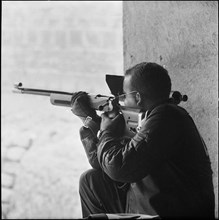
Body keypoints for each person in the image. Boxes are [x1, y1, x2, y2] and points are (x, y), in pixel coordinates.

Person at [71, 62, 215, 218]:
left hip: (174, 213)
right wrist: (91, 122)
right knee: (91, 182)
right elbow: (101, 164)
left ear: (138, 97)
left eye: (124, 96)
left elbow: (119, 168)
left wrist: (107, 132)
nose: (122, 102)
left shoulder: (166, 117)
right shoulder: (153, 119)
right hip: (156, 206)